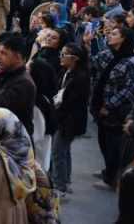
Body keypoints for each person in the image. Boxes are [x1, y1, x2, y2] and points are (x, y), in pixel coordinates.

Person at [90, 27, 134, 189]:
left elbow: (131, 88)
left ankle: (111, 178)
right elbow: (92, 61)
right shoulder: (110, 54)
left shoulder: (131, 61)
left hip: (116, 110)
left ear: (124, 38)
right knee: (103, 140)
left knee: (113, 144)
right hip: (102, 106)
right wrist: (86, 43)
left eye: (114, 34)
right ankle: (108, 170)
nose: (109, 35)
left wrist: (110, 105)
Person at [0, 32, 37, 138]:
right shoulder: (7, 74)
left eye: (4, 53)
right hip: (2, 139)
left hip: (14, 144)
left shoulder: (24, 84)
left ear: (18, 57)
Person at [52, 42, 90, 197]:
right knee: (64, 150)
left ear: (74, 58)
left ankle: (59, 186)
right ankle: (65, 181)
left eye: (64, 54)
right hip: (64, 119)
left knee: (58, 152)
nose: (60, 57)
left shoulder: (80, 78)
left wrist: (57, 109)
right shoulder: (67, 71)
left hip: (69, 121)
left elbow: (69, 102)